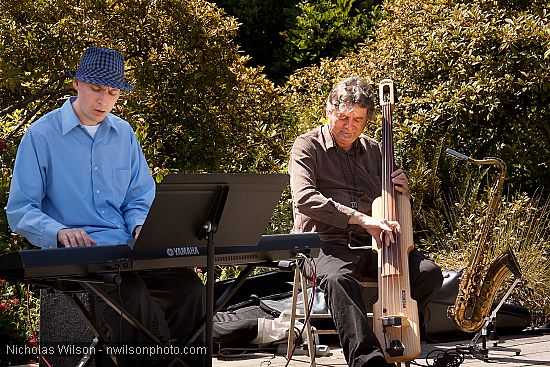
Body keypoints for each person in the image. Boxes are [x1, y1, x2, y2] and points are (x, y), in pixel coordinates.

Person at [6, 47, 205, 366]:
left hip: (128, 248)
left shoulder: (124, 134)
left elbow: (139, 197)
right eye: (96, 89)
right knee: (133, 297)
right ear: (76, 84)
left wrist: (142, 226)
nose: (103, 100)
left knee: (191, 289)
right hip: (79, 254)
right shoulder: (41, 136)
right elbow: (20, 210)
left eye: (112, 92)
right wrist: (59, 232)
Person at [289, 76, 443, 367]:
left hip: (371, 245)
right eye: (343, 117)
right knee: (339, 280)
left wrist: (401, 192)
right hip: (325, 245)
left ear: (367, 120)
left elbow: (390, 208)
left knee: (427, 272)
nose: (349, 126)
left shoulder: (376, 151)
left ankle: (391, 331)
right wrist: (361, 219)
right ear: (328, 110)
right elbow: (305, 199)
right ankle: (368, 361)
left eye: (358, 120)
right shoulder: (306, 146)